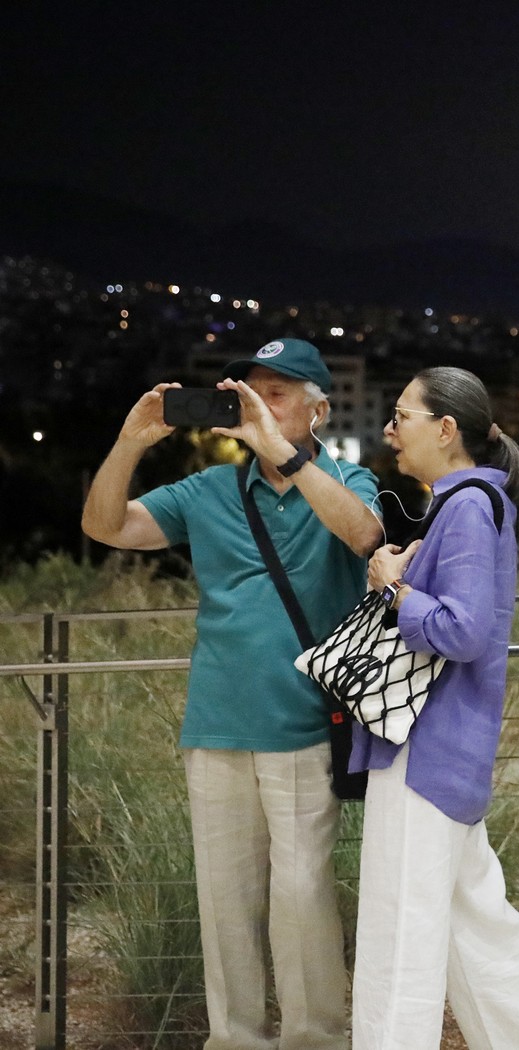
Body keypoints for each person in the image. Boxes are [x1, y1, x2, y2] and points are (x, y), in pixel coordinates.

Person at [82, 337, 382, 1050]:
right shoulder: (209, 491)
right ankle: (236, 1039)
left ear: (318, 409)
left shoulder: (347, 480)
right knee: (225, 901)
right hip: (216, 722)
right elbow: (105, 525)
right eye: (251, 388)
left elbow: (364, 533)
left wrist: (282, 451)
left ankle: (315, 1038)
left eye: (279, 392)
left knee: (303, 895)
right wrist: (130, 442)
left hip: (307, 723)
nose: (258, 401)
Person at [350, 367, 519, 1050]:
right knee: (477, 932)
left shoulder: (469, 506)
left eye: (402, 417)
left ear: (446, 430)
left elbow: (464, 630)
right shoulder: (474, 502)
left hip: (423, 750)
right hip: (449, 750)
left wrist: (395, 588)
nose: (390, 431)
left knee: (401, 940)